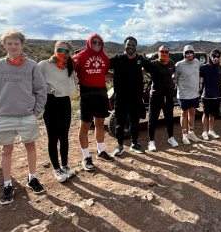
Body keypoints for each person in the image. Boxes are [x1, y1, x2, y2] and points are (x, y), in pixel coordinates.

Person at [0, 30, 47, 205]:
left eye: (17, 44)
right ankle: (7, 184)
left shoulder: (32, 66)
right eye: (10, 43)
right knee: (6, 150)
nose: (13, 46)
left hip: (27, 115)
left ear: (22, 45)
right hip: (3, 116)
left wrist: (35, 113)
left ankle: (32, 177)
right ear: (4, 45)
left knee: (30, 146)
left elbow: (41, 91)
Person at [38, 41, 77, 182]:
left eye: (66, 51)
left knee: (64, 136)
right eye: (60, 50)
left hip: (65, 102)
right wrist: (47, 89)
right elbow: (35, 82)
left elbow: (73, 82)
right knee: (53, 138)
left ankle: (65, 166)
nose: (63, 53)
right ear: (55, 50)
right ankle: (56, 169)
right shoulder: (44, 65)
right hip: (50, 102)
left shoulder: (69, 66)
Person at [73, 33, 113, 171]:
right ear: (89, 42)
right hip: (87, 93)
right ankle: (86, 157)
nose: (97, 44)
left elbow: (104, 73)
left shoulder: (105, 58)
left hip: (101, 93)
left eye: (99, 42)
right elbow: (68, 68)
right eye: (94, 42)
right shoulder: (79, 57)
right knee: (85, 126)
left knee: (100, 124)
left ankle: (101, 151)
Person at [109, 36, 146, 156]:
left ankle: (134, 143)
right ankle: (119, 145)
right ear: (124, 45)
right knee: (120, 123)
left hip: (135, 97)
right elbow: (104, 66)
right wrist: (111, 75)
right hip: (121, 97)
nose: (130, 47)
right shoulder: (117, 59)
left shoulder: (140, 59)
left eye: (133, 45)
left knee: (135, 122)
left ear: (136, 47)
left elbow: (151, 67)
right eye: (128, 45)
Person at [142, 45, 179, 151]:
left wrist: (174, 82)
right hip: (156, 95)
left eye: (166, 52)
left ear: (169, 53)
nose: (164, 53)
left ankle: (171, 138)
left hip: (168, 95)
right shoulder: (153, 64)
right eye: (162, 51)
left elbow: (173, 75)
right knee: (153, 119)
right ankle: (151, 141)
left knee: (169, 118)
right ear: (158, 53)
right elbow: (143, 70)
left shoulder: (171, 63)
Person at [174, 44, 202, 145]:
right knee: (184, 114)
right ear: (184, 54)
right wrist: (177, 87)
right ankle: (184, 135)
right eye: (187, 53)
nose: (189, 55)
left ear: (193, 53)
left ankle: (191, 132)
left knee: (192, 113)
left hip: (194, 94)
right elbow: (175, 77)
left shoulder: (197, 62)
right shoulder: (179, 65)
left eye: (191, 52)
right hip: (183, 95)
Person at [199, 49, 221, 140]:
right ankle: (204, 132)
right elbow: (199, 80)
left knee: (213, 114)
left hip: (217, 95)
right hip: (207, 95)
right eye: (214, 56)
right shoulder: (204, 67)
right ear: (210, 56)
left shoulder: (220, 67)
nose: (216, 58)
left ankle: (211, 130)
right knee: (205, 114)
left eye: (218, 56)